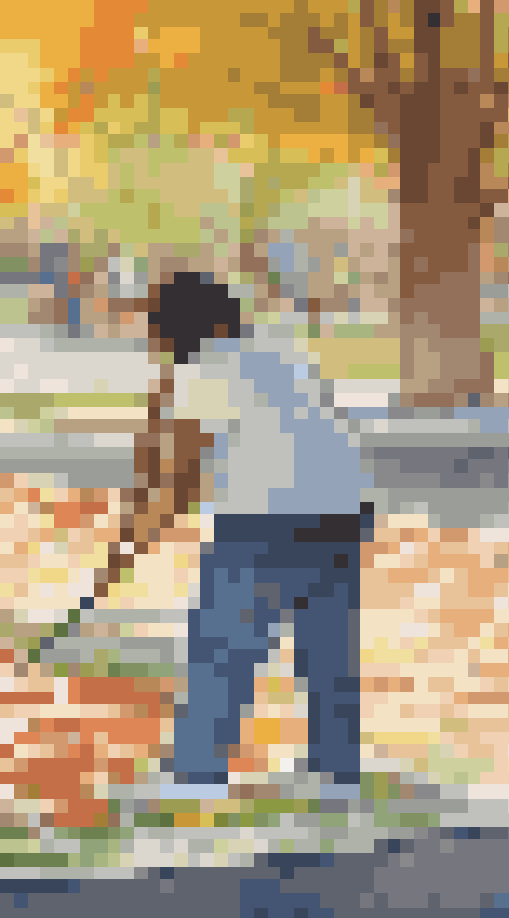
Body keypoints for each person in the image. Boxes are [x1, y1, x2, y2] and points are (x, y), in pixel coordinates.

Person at [136, 272, 372, 801]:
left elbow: (181, 473)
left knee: (220, 645)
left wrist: (145, 531)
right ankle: (335, 773)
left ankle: (197, 773)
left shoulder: (203, 370)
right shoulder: (279, 351)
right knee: (328, 649)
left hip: (266, 520)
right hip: (343, 511)